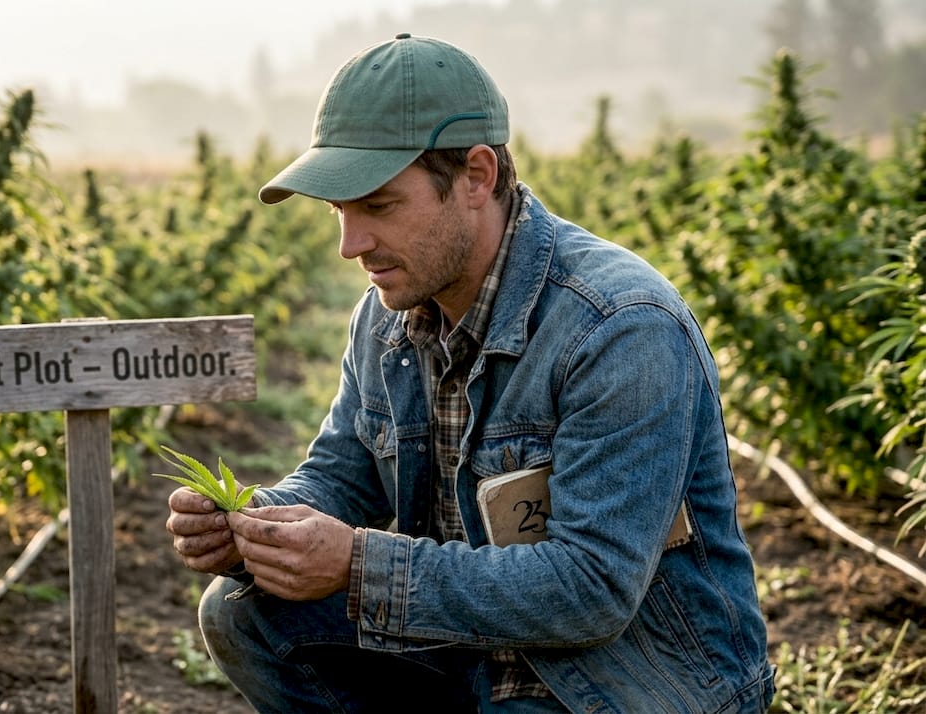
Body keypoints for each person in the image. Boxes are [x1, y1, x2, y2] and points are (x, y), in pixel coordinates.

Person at [165, 33, 774, 713]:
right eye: (339, 212)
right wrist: (260, 527)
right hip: (471, 652)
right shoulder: (386, 318)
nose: (350, 245)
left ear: (477, 176)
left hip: (621, 679)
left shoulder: (620, 327)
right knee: (243, 612)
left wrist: (359, 565)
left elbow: (592, 589)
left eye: (378, 206)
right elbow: (343, 474)